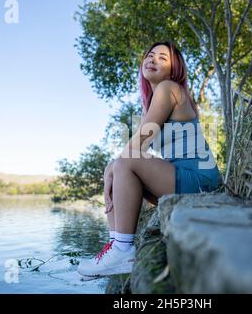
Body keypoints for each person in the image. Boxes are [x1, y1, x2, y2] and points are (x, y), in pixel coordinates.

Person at [77, 41, 222, 277]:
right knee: (119, 165)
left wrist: (109, 173)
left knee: (123, 163)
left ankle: (122, 249)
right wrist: (112, 170)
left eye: (163, 58)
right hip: (180, 178)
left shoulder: (169, 88)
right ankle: (116, 246)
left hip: (200, 180)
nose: (153, 59)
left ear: (174, 70)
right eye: (150, 55)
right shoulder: (153, 102)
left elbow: (140, 143)